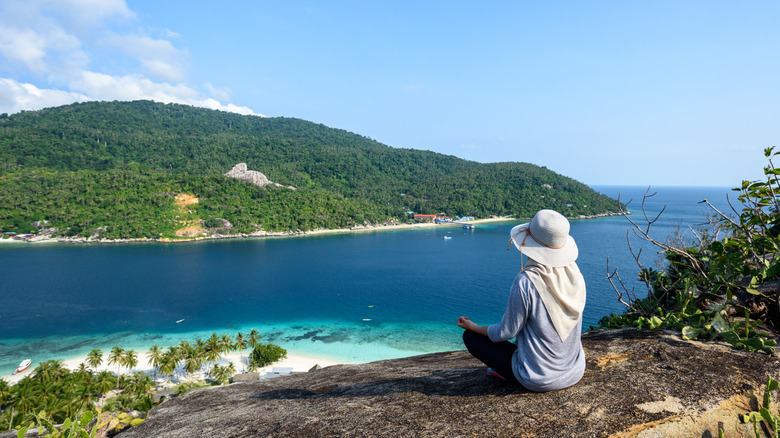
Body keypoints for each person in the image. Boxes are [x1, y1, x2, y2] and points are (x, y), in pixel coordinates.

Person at [457, 209, 586, 392]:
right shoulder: (575, 275)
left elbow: (507, 332)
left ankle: (508, 374)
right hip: (574, 370)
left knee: (471, 338)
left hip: (538, 378)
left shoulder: (526, 281)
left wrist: (473, 327)